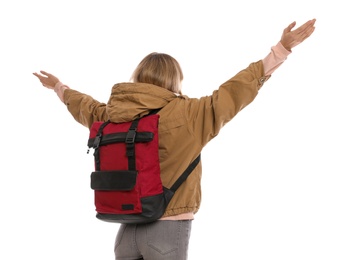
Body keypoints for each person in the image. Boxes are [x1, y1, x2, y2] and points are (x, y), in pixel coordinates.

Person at [33, 19, 316, 260]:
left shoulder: (110, 115)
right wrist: (281, 50)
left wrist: (58, 87)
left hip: (124, 233)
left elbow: (83, 106)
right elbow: (234, 92)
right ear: (174, 80)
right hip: (166, 233)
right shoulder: (189, 114)